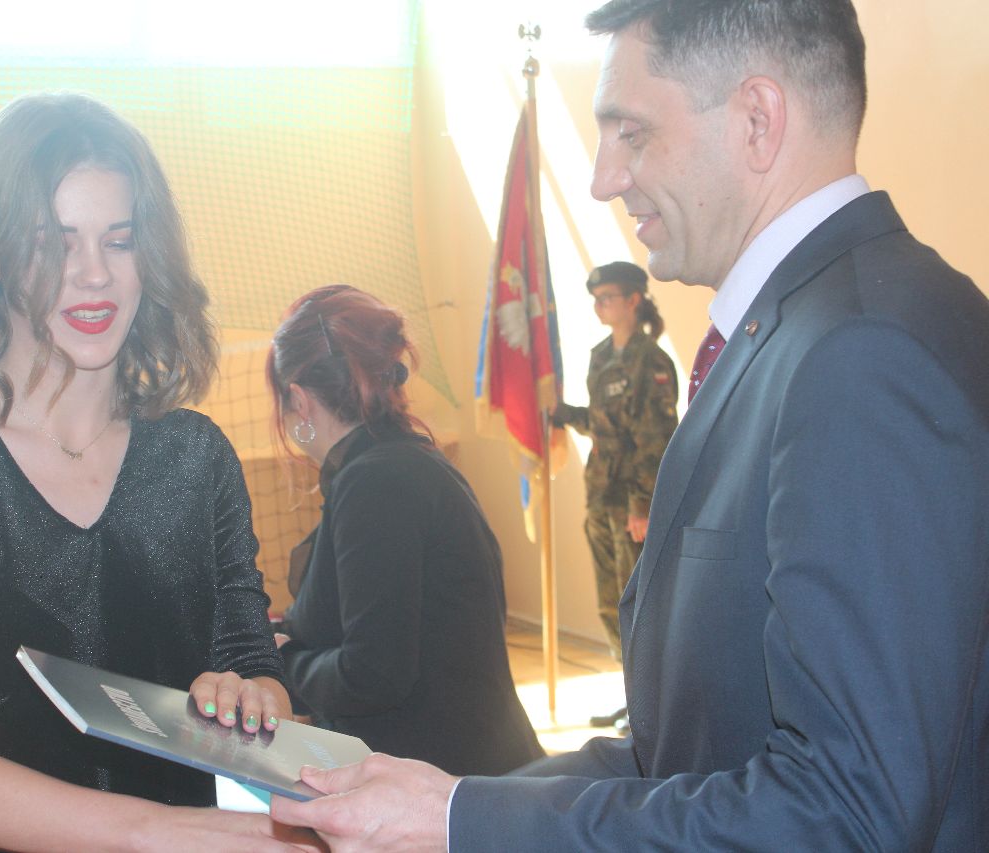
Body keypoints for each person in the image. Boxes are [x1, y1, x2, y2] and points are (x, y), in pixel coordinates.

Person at [269, 0, 989, 849]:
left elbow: (848, 814)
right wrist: (443, 804)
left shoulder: (859, 354)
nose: (603, 177)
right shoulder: (804, 330)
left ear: (758, 121)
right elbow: (682, 748)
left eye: (633, 133)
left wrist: (464, 820)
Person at [0, 93, 313, 852]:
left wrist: (252, 699)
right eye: (53, 243)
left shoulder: (196, 457)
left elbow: (253, 667)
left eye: (119, 241)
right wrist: (153, 831)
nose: (94, 274)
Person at [265, 284, 543, 776]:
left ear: (299, 400)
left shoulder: (376, 481)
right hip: (456, 768)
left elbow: (372, 674)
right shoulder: (395, 464)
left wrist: (287, 663)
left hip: (449, 788)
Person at [551, 260, 678, 730]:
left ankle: (651, 705)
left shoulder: (652, 361)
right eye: (596, 299)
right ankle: (631, 694)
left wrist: (642, 504)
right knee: (609, 603)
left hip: (631, 502)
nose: (599, 306)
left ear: (633, 300)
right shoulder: (601, 356)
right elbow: (604, 425)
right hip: (601, 494)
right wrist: (563, 413)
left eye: (607, 298)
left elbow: (656, 436)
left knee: (636, 604)